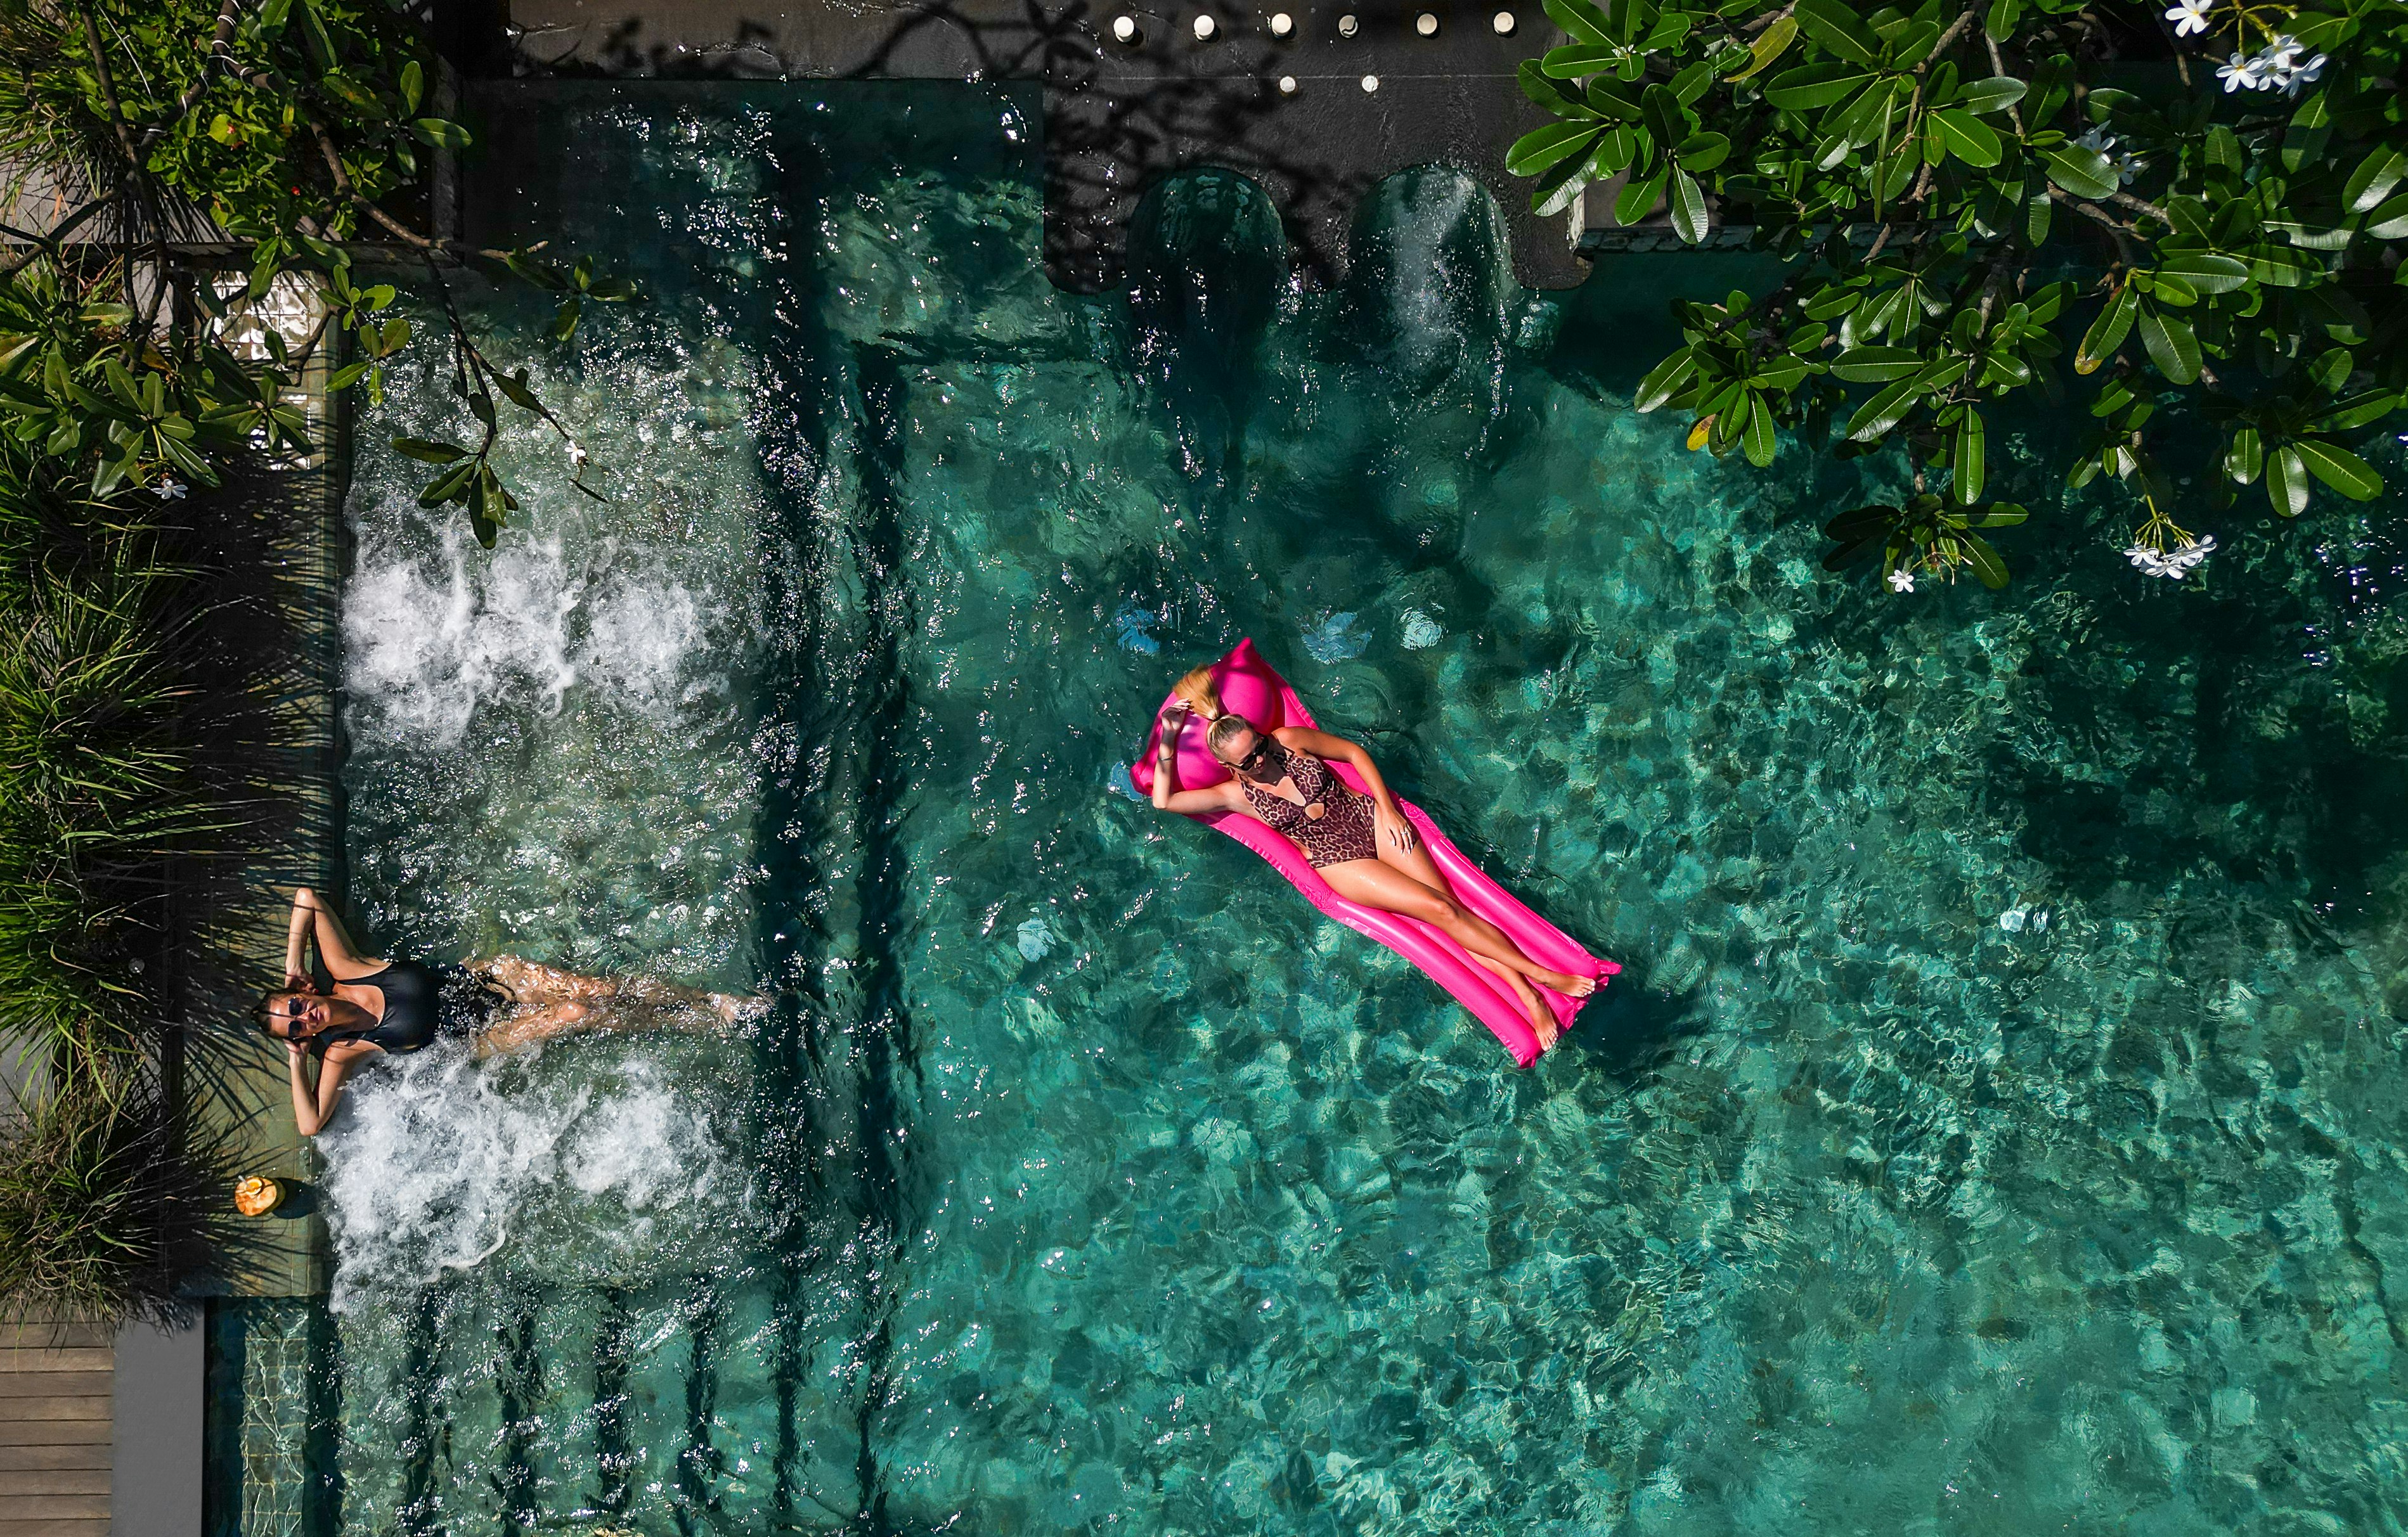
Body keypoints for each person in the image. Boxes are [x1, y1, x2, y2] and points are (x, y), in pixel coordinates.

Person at [1148, 666, 1596, 1047]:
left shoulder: (1288, 740)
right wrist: (1168, 739)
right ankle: (1541, 982)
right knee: (1440, 910)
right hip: (1339, 860)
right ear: (1232, 767)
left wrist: (1385, 806)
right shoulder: (1234, 794)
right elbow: (1164, 801)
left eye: (1261, 747)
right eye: (1249, 761)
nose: (1262, 759)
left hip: (1368, 818)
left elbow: (1353, 752)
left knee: (1455, 911)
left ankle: (1531, 992)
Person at [259, 887, 758, 1135]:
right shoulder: (343, 1053)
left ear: (305, 990)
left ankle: (708, 1001)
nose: (306, 1017)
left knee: (595, 987)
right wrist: (296, 1058)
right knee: (576, 1011)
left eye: (297, 1007)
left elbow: (306, 899)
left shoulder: (346, 966)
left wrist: (290, 970)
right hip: (485, 1038)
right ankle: (688, 1019)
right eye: (297, 1025)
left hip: (492, 977)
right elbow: (309, 1123)